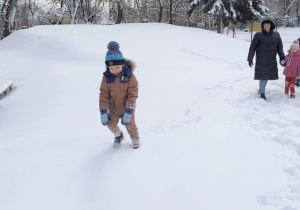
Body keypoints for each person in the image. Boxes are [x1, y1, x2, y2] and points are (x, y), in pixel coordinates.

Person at [99, 41, 140, 149]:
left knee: (130, 125)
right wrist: (103, 110)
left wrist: (129, 110)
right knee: (110, 124)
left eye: (117, 67)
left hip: (127, 107)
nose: (114, 70)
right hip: (113, 108)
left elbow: (133, 94)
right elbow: (103, 93)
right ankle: (118, 135)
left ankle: (135, 140)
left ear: (122, 64)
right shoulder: (106, 77)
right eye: (111, 68)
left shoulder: (129, 76)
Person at [247, 18, 286, 100]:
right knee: (263, 76)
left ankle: (261, 89)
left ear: (271, 25)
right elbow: (252, 47)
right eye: (265, 24)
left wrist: (282, 57)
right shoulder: (258, 35)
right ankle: (262, 93)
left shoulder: (276, 35)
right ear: (262, 26)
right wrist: (250, 58)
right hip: (261, 59)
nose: (266, 26)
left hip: (271, 59)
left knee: (266, 76)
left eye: (268, 24)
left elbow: (279, 47)